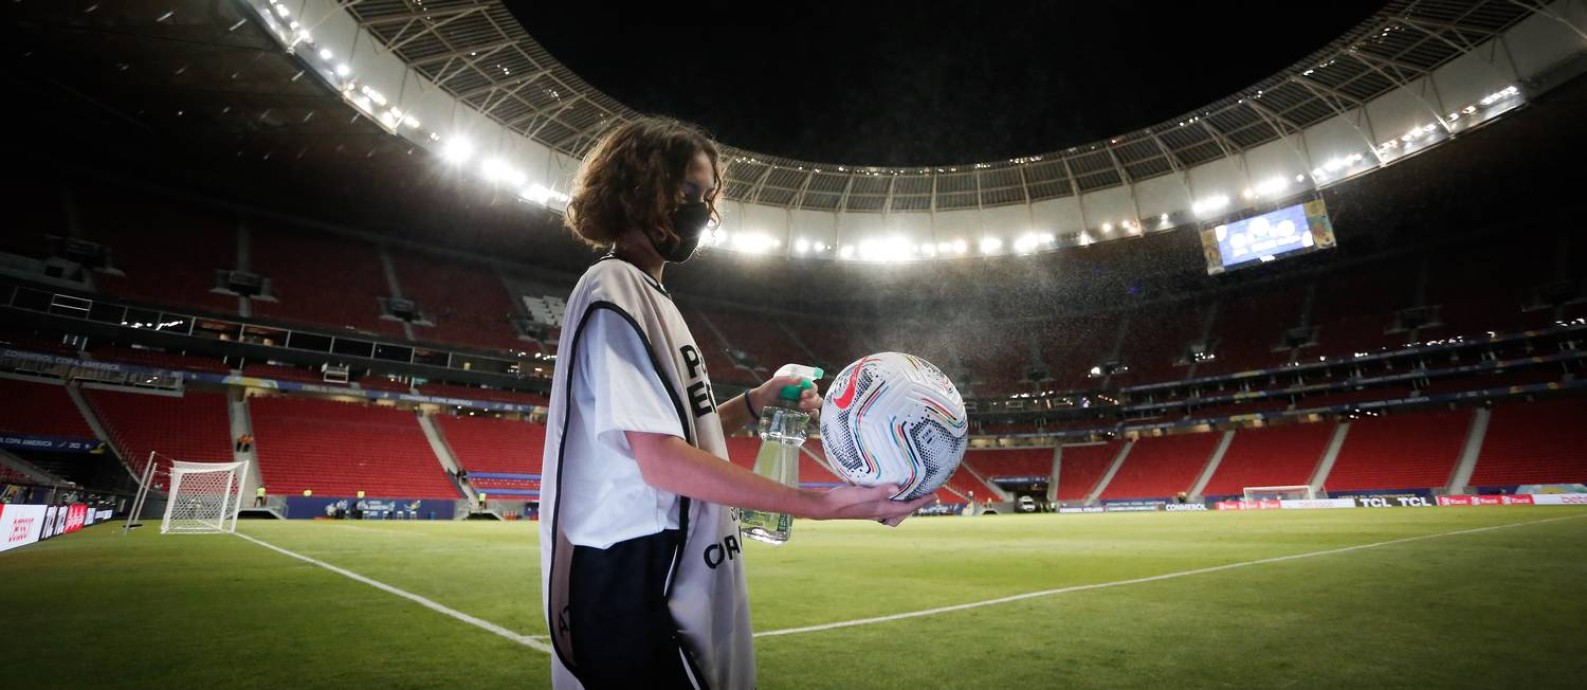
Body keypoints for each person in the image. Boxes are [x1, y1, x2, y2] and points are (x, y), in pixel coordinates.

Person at [539, 116, 931, 690]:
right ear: (637, 187)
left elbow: (659, 436)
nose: (699, 208)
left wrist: (753, 403)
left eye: (705, 195)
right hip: (639, 573)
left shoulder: (646, 295)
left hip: (655, 565)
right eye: (686, 191)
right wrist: (821, 504)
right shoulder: (615, 290)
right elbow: (660, 461)